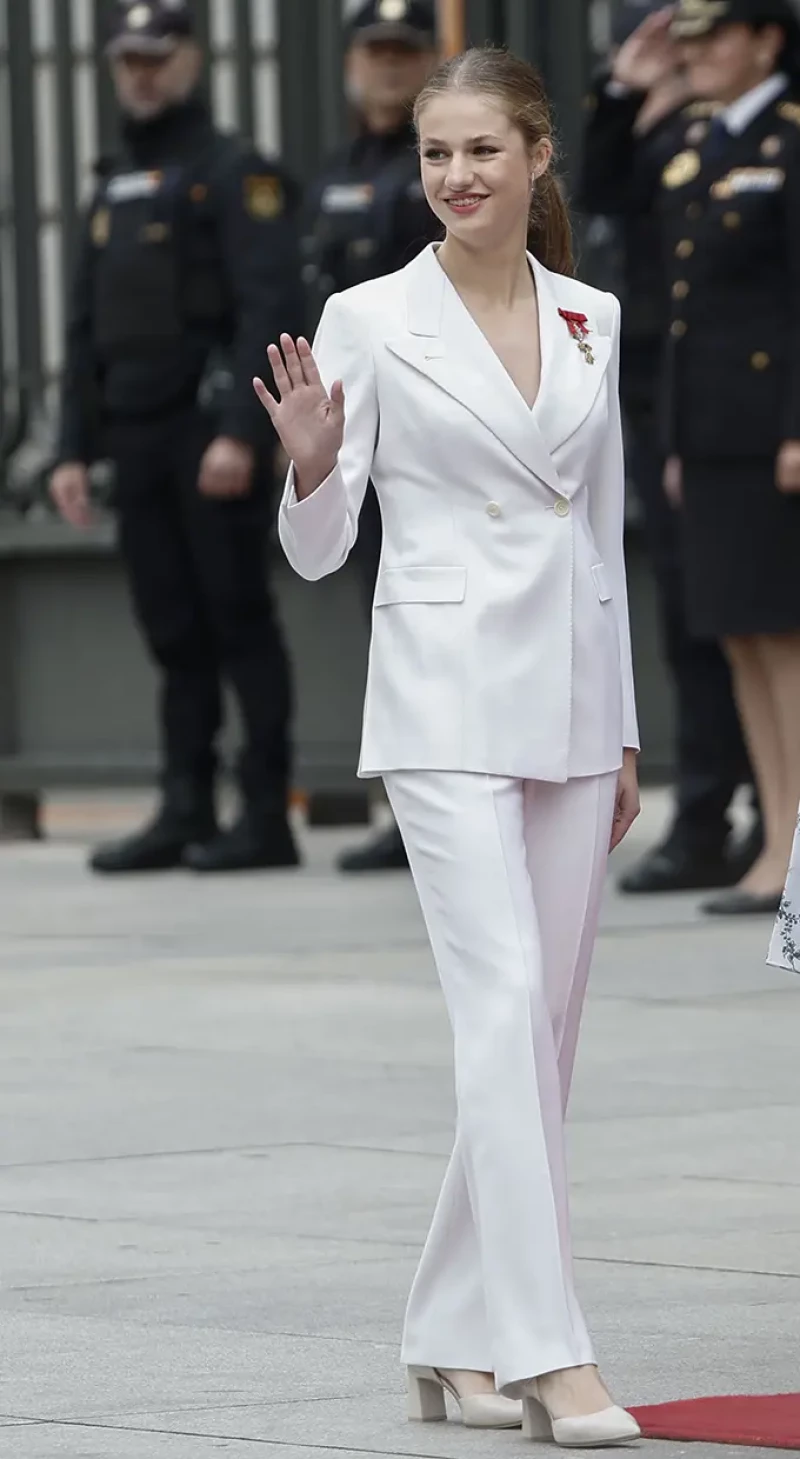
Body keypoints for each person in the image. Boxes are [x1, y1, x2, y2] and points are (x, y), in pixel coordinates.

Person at [256, 44, 642, 1446]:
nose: (458, 176)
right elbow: (319, 549)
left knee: (541, 1032)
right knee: (498, 1014)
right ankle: (547, 1349)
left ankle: (445, 1325)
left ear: (539, 156)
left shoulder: (594, 312)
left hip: (573, 706)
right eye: (437, 155)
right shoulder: (365, 315)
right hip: (442, 699)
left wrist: (627, 733)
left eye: (485, 150)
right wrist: (307, 460)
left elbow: (599, 538)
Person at [50, 0, 304, 875]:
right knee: (171, 629)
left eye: (158, 57)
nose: (143, 74)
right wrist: (72, 447)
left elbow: (268, 304)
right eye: (129, 61)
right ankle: (185, 804)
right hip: (137, 435)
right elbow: (84, 329)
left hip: (208, 434)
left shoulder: (236, 173)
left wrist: (241, 428)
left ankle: (266, 810)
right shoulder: (112, 179)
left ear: (191, 59)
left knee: (237, 620)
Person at [591, 0, 800, 915]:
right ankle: (783, 842)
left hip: (775, 435)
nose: (696, 52)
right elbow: (675, 303)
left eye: (716, 35)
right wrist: (675, 435)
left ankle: (794, 851)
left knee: (786, 641)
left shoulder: (791, 142)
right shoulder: (699, 145)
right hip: (711, 433)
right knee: (745, 641)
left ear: (765, 40)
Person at [303, 0, 440, 874]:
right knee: (387, 621)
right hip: (355, 434)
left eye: (404, 52)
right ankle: (410, 805)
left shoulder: (435, 168)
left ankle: (440, 797)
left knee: (435, 619)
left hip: (424, 431)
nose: (388, 67)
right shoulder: (336, 169)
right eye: (375, 52)